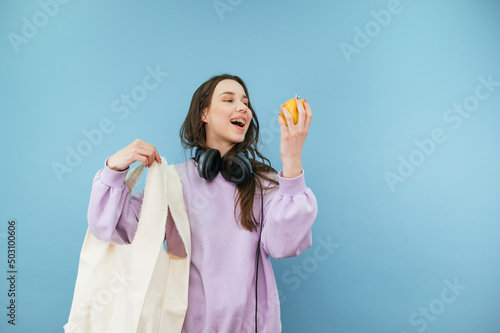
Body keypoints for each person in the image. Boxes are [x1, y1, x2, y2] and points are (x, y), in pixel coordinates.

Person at [87, 74, 318, 332]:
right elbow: (113, 228)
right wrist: (114, 169)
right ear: (204, 114)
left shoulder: (265, 184)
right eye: (228, 99)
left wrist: (292, 161)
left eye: (245, 102)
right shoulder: (173, 182)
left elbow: (283, 245)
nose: (242, 107)